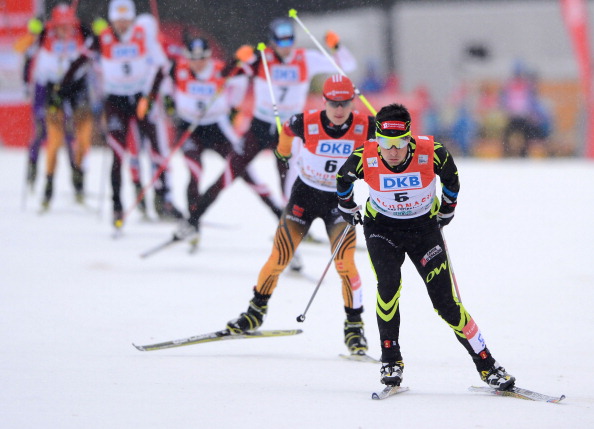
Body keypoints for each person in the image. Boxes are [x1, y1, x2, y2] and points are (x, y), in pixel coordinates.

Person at [335, 103, 516, 389]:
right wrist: (347, 208)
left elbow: (452, 179)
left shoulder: (432, 152)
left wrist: (447, 210)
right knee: (389, 285)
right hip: (382, 230)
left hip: (423, 232)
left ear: (409, 138)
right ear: (377, 140)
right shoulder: (365, 156)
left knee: (446, 303)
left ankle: (487, 364)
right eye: (385, 143)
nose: (392, 151)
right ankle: (391, 359)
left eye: (399, 143)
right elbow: (342, 180)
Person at [225, 75, 375, 357]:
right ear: (324, 101)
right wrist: (282, 153)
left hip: (340, 203)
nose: (339, 110)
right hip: (304, 196)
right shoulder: (305, 122)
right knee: (279, 258)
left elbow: (397, 142)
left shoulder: (366, 125)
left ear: (352, 102)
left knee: (345, 264)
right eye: (333, 103)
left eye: (344, 103)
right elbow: (287, 130)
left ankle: (354, 328)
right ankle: (255, 312)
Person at [188, 18, 357, 239]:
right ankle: (193, 219)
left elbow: (347, 65)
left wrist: (336, 46)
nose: (285, 47)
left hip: (289, 129)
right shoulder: (262, 59)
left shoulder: (306, 58)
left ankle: (294, 228)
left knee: (289, 181)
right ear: (272, 41)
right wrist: (237, 59)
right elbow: (224, 75)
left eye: (289, 41)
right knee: (230, 172)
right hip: (259, 127)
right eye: (280, 42)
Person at [64, 0, 183, 226]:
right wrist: (63, 86)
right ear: (111, 19)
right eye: (118, 19)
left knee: (157, 149)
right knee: (118, 154)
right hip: (116, 101)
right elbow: (80, 60)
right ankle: (117, 205)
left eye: (126, 18)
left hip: (140, 98)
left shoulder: (142, 35)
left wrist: (149, 98)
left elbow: (161, 66)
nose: (122, 23)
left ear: (132, 18)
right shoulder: (103, 38)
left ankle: (164, 199)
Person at [167, 37, 283, 244]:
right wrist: (172, 109)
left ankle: (281, 215)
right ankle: (193, 224)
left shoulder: (220, 69)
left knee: (246, 174)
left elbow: (238, 86)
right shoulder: (178, 69)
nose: (198, 63)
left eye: (202, 58)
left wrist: (230, 107)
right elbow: (166, 89)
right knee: (195, 172)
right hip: (190, 128)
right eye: (194, 59)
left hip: (217, 128)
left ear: (209, 56)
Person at [31, 3, 94, 208]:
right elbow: (34, 61)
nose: (64, 30)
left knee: (83, 138)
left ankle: (79, 178)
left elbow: (96, 48)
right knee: (54, 139)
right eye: (60, 25)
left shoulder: (82, 31)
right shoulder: (46, 35)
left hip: (77, 88)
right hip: (55, 88)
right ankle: (48, 186)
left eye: (68, 25)